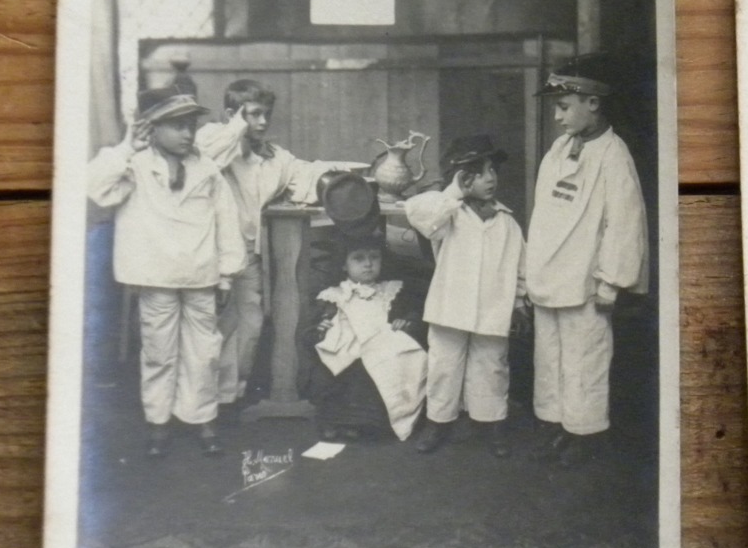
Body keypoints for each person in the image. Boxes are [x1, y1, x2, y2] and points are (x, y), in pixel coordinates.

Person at [86, 81, 245, 456]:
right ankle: (158, 420)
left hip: (201, 275)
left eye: (191, 125)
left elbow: (227, 221)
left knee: (204, 350)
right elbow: (95, 187)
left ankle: (201, 417)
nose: (187, 133)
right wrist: (127, 147)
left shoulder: (207, 169)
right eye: (177, 126)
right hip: (155, 275)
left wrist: (226, 274)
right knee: (159, 350)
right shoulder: (135, 166)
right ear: (151, 128)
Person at [525, 58, 649, 468]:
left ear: (593, 103)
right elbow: (543, 216)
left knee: (586, 358)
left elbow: (624, 223)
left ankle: (586, 433)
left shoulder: (614, 156)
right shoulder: (558, 151)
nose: (557, 116)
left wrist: (611, 281)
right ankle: (556, 425)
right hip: (549, 278)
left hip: (585, 282)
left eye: (564, 106)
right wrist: (531, 272)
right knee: (550, 357)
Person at [196, 79, 328, 414]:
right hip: (208, 253)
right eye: (254, 114)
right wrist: (238, 127)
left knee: (250, 324)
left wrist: (338, 175)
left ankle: (227, 397)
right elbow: (205, 157)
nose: (263, 122)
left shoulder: (271, 156)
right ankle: (198, 398)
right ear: (232, 114)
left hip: (246, 254)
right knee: (209, 325)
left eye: (266, 114)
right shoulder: (213, 137)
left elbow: (305, 174)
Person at [404, 135, 527, 455]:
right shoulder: (447, 213)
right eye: (480, 172)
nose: (491, 178)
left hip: (492, 309)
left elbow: (521, 267)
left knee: (491, 366)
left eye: (492, 170)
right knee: (444, 365)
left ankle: (492, 424)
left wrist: (518, 304)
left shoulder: (507, 222)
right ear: (462, 177)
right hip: (450, 308)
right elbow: (421, 216)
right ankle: (438, 422)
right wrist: (454, 191)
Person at [302, 234, 427, 442]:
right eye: (358, 259)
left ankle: (366, 424)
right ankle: (335, 421)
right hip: (345, 349)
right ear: (344, 265)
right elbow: (313, 329)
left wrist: (405, 321)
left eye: (374, 258)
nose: (368, 264)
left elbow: (412, 314)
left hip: (381, 347)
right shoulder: (334, 295)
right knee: (338, 369)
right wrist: (320, 329)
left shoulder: (392, 291)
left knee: (382, 369)